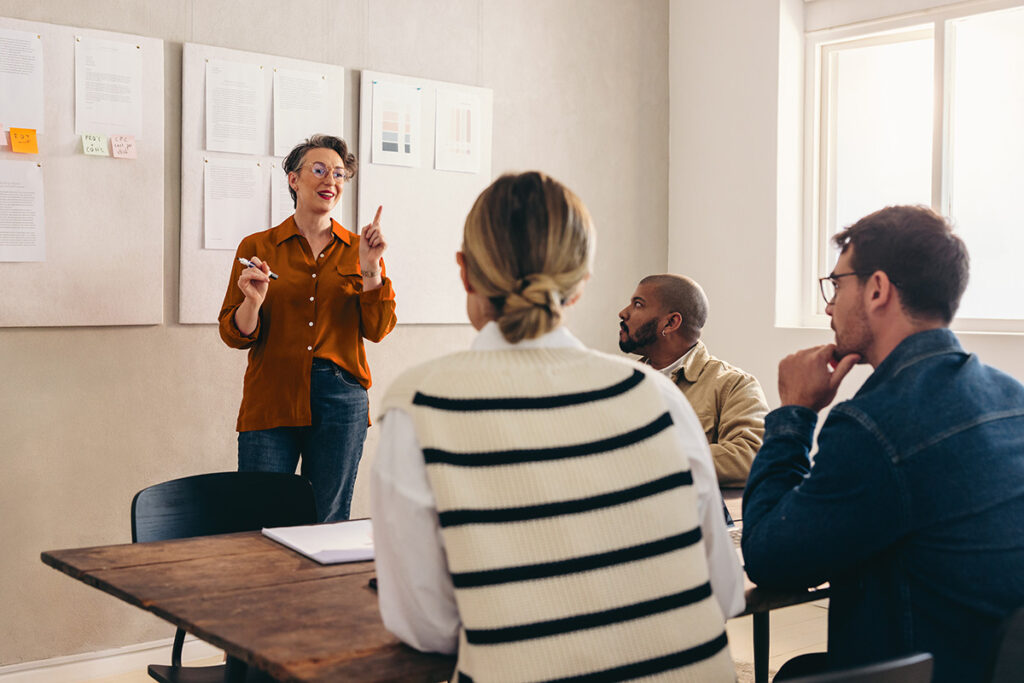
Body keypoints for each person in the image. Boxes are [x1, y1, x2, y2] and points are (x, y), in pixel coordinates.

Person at [371, 172, 744, 682]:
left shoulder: (416, 407)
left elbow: (429, 628)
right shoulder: (658, 398)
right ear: (580, 284)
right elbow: (721, 595)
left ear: (465, 273)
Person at [742, 205, 1024, 683]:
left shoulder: (875, 425)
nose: (829, 306)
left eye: (837, 285)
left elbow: (770, 559)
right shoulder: (1011, 397)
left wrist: (794, 414)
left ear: (877, 289)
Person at [218, 134, 397, 523]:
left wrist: (371, 267)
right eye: (318, 170)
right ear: (293, 179)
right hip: (272, 395)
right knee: (258, 518)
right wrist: (253, 301)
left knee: (326, 521)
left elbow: (379, 328)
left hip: (340, 398)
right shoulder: (258, 245)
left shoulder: (359, 248)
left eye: (338, 173)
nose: (329, 180)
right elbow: (234, 334)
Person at [618, 275, 768, 486]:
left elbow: (751, 455)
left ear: (671, 323)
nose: (623, 313)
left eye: (638, 305)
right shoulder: (620, 382)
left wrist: (652, 459)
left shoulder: (733, 385)